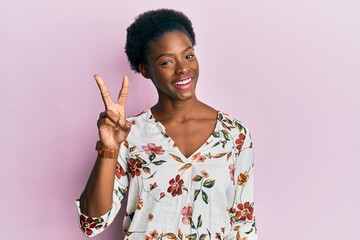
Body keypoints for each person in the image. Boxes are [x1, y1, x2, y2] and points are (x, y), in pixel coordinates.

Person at [76, 9, 257, 240]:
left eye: (188, 55)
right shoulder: (128, 133)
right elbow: (92, 223)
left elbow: (244, 225)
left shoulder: (234, 135)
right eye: (167, 62)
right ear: (145, 69)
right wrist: (109, 149)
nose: (182, 68)